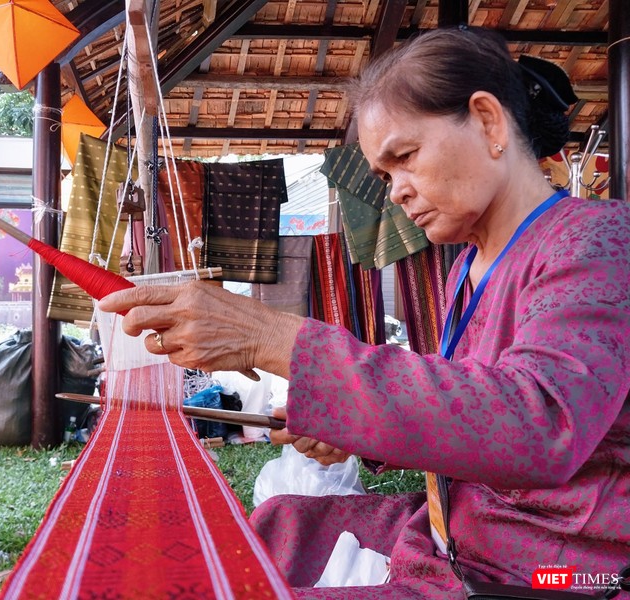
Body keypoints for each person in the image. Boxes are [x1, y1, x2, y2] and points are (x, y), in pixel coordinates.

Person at [99, 27, 630, 599]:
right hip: (458, 535)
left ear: (487, 121)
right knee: (275, 526)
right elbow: (465, 413)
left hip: (554, 569)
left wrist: (277, 339)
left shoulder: (599, 242)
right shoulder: (465, 269)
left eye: (405, 157)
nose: (397, 191)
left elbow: (540, 423)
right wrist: (352, 431)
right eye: (383, 176)